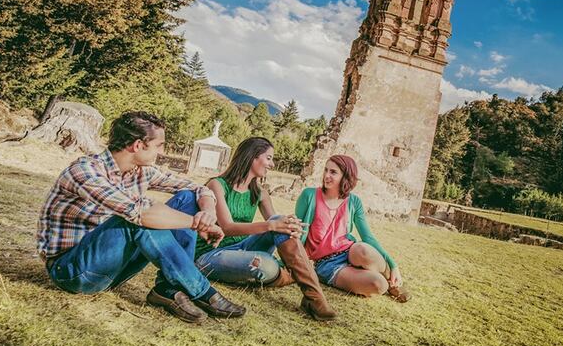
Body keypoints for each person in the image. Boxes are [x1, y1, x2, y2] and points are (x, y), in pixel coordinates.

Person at [36, 111, 245, 324]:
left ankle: (168, 289)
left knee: (187, 199)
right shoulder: (85, 171)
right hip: (73, 271)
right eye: (159, 145)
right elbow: (139, 213)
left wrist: (208, 214)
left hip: (114, 270)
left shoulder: (141, 171)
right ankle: (202, 291)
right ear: (138, 145)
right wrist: (197, 224)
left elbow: (198, 188)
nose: (162, 152)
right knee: (136, 219)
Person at [194, 137, 337, 321]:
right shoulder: (217, 185)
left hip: (245, 247)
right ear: (252, 156)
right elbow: (227, 227)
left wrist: (289, 225)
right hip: (211, 254)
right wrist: (271, 225)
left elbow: (277, 226)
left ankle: (315, 298)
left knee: (279, 222)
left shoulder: (260, 192)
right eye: (268, 158)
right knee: (266, 265)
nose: (272, 164)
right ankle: (286, 274)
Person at [294, 155, 409, 301]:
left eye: (333, 172)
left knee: (363, 249)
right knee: (378, 285)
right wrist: (291, 262)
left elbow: (367, 237)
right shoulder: (309, 195)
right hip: (327, 263)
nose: (327, 175)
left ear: (346, 176)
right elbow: (296, 232)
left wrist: (393, 265)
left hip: (350, 252)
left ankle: (394, 281)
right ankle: (383, 282)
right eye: (326, 170)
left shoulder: (354, 201)